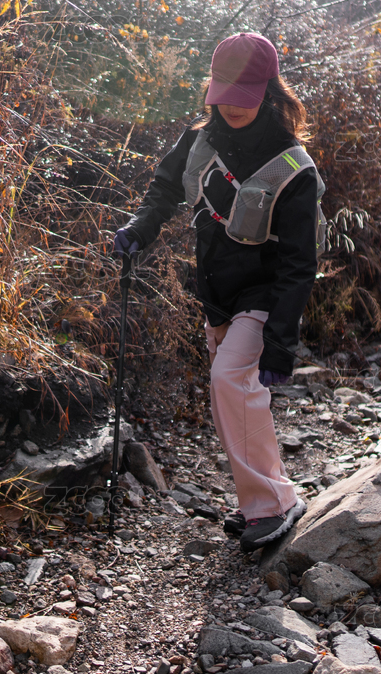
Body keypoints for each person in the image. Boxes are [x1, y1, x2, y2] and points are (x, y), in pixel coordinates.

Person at [113, 32, 320, 552]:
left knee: (231, 380)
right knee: (233, 396)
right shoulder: (200, 139)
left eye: (243, 96)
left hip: (265, 292)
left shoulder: (293, 166)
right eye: (224, 94)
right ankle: (262, 501)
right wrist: (140, 229)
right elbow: (165, 188)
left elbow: (300, 264)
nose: (231, 106)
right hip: (217, 291)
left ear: (269, 90)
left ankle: (273, 505)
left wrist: (281, 344)